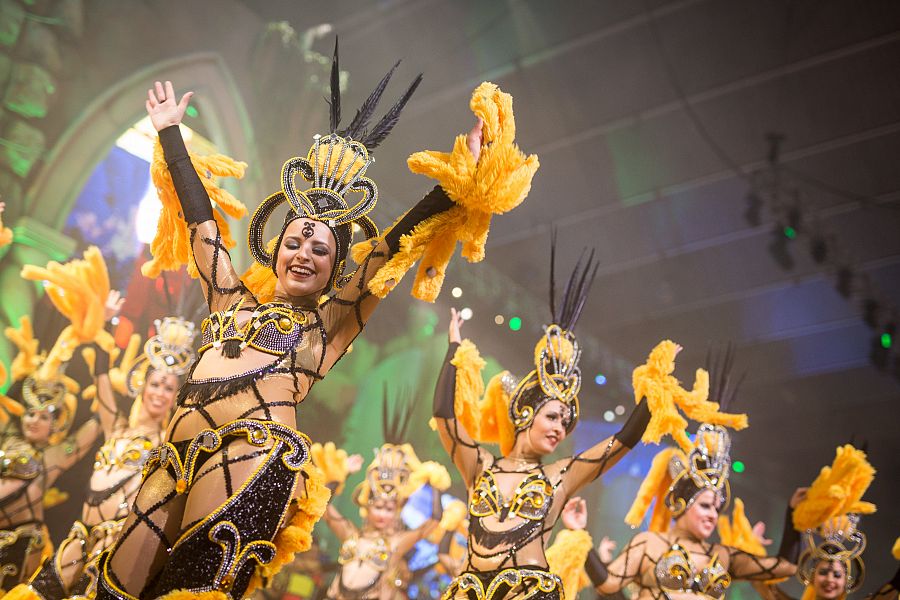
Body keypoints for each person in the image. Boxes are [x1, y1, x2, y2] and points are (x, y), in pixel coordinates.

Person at [95, 41, 537, 599]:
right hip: (175, 454)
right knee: (115, 587)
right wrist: (170, 137)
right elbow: (202, 224)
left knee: (192, 590)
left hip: (252, 458)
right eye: (296, 240)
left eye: (321, 249)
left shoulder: (329, 327)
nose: (304, 253)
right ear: (276, 247)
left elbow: (392, 248)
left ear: (333, 271)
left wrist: (453, 184)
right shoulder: (229, 299)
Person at [432, 240, 653, 599]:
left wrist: (654, 392)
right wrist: (454, 351)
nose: (558, 429)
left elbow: (622, 442)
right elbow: (444, 416)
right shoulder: (480, 467)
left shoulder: (559, 476)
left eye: (564, 423)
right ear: (524, 414)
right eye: (552, 417)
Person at [11, 301, 196, 598]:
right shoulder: (116, 427)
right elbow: (101, 377)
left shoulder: (168, 441)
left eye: (169, 388)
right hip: (80, 533)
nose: (161, 393)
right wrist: (107, 324)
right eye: (156, 384)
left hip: (116, 543)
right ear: (142, 386)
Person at [0, 317, 100, 593]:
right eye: (30, 413)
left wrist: (101, 370)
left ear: (56, 424)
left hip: (21, 550)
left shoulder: (54, 456)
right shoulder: (5, 438)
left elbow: (95, 427)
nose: (34, 420)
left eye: (43, 416)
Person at [313, 398, 450, 599]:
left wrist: (436, 484)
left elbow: (434, 521)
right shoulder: (351, 534)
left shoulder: (397, 543)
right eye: (378, 507)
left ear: (397, 511)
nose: (382, 514)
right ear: (368, 507)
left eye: (388, 509)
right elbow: (322, 505)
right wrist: (340, 475)